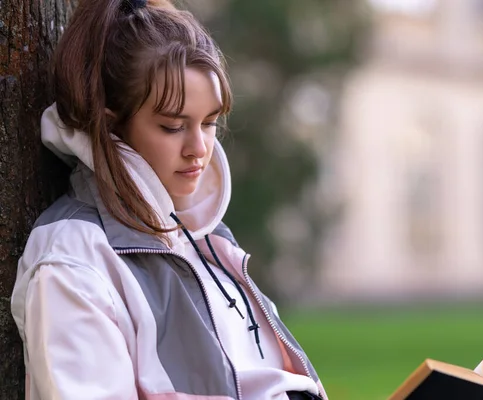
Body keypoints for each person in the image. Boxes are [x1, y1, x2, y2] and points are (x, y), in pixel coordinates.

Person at [10, 0, 327, 399]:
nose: (199, 148)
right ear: (111, 126)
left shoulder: (206, 238)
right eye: (173, 126)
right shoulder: (73, 261)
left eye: (209, 123)